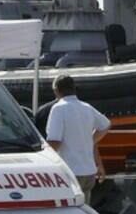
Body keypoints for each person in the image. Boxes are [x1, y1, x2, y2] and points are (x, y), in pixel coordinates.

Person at [45, 75, 111, 204]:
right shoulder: (87, 107)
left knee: (68, 213)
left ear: (56, 91)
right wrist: (92, 140)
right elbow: (105, 125)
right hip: (89, 172)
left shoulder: (58, 108)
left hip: (70, 172)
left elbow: (54, 141)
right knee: (85, 212)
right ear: (74, 89)